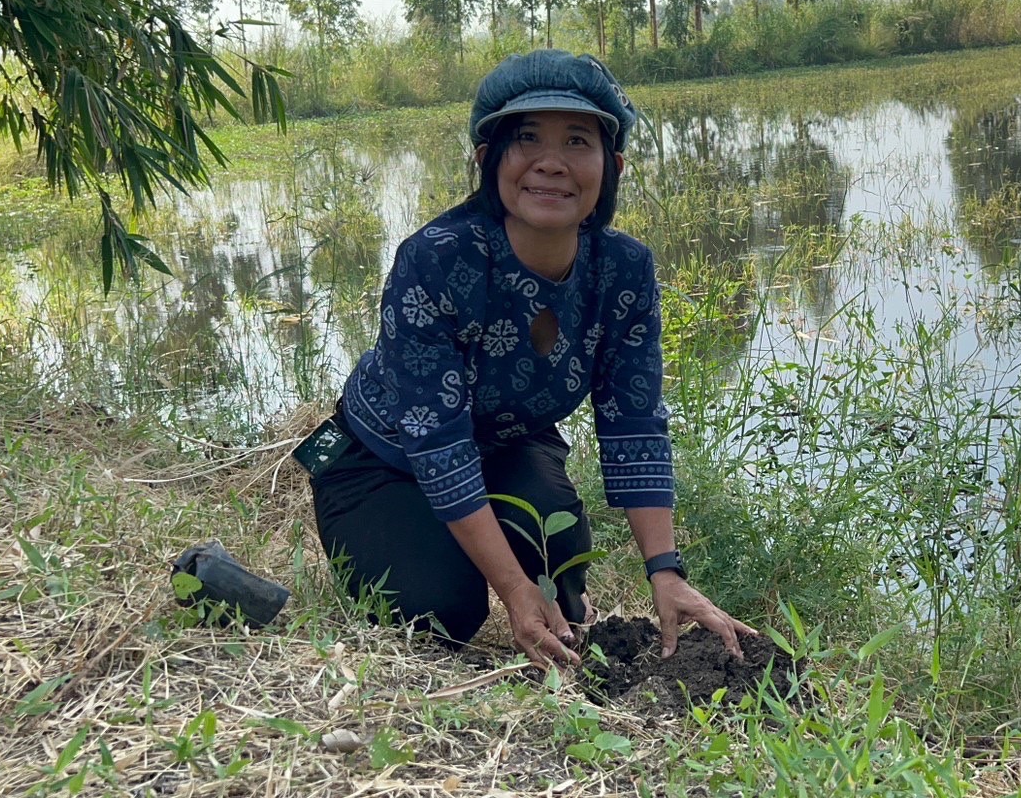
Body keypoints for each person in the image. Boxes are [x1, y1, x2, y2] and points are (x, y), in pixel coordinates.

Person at [298, 50, 755, 669]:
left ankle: (500, 559)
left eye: (577, 140)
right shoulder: (434, 259)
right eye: (528, 139)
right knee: (438, 613)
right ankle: (402, 544)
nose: (552, 162)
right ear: (488, 162)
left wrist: (665, 572)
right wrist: (511, 590)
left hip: (510, 442)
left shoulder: (623, 268)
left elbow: (634, 420)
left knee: (558, 555)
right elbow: (438, 443)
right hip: (383, 458)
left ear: (611, 166)